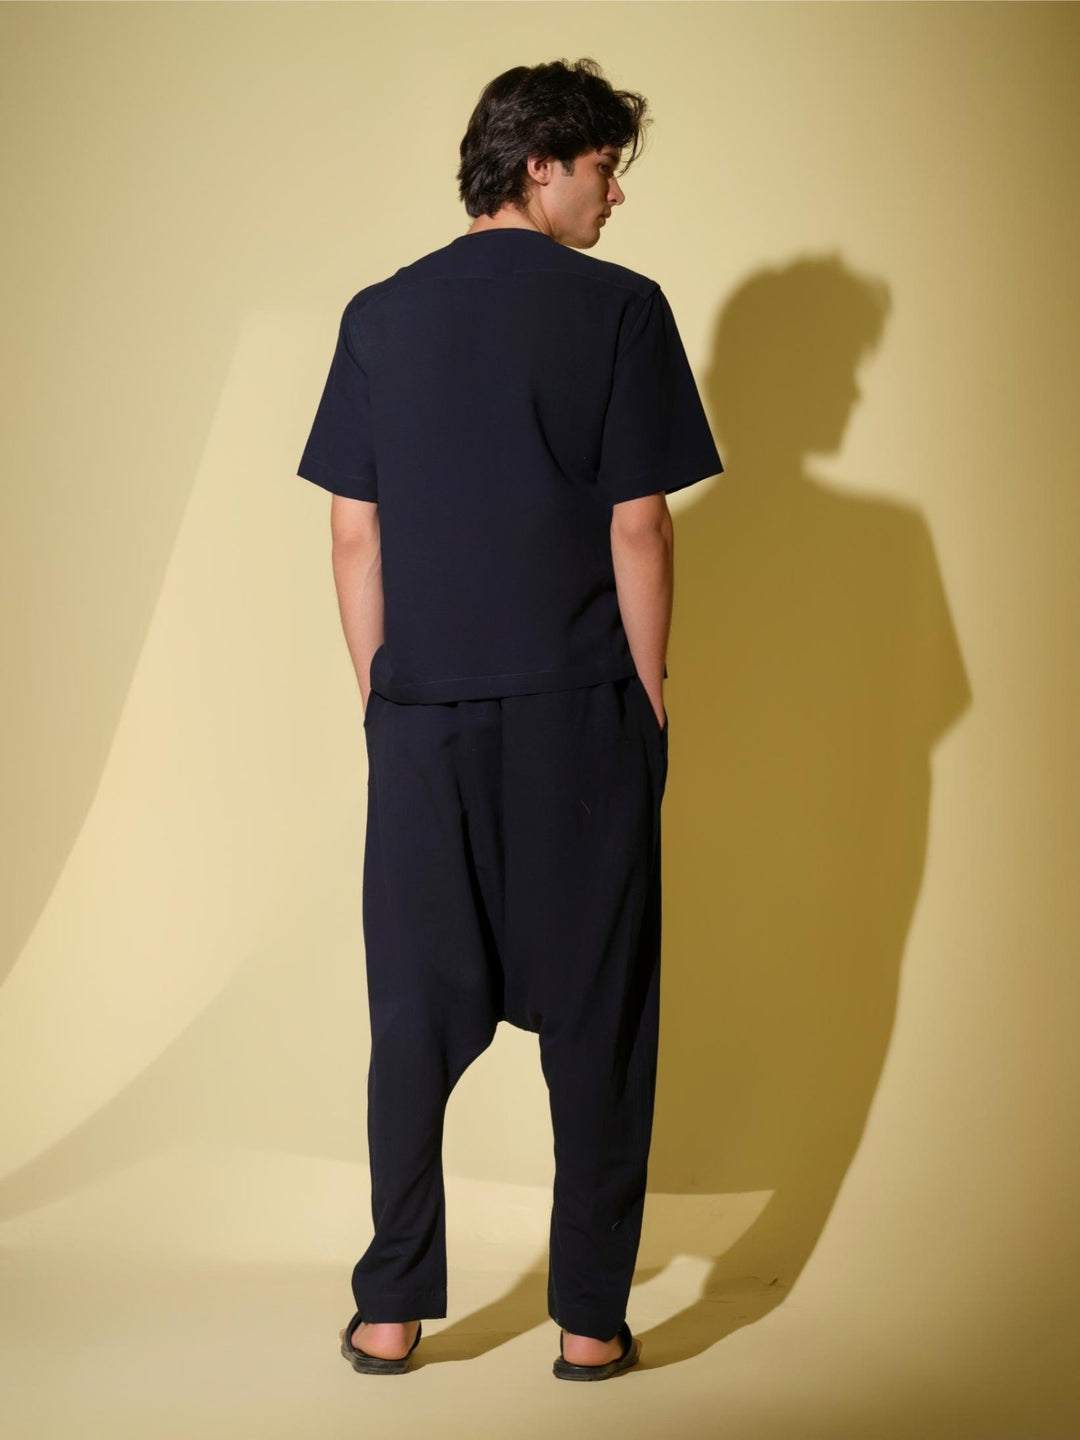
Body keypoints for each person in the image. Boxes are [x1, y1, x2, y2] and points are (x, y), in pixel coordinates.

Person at [296, 57, 723, 1380]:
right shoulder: (621, 310)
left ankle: (388, 1310)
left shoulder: (379, 315)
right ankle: (590, 1323)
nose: (613, 197)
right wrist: (650, 694)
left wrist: (382, 693)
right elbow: (641, 526)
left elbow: (353, 531)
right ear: (542, 164)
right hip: (578, 712)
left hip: (422, 717)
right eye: (603, 169)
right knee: (602, 1021)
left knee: (412, 1018)